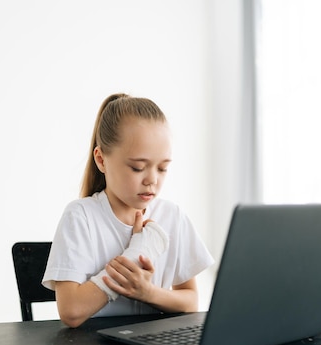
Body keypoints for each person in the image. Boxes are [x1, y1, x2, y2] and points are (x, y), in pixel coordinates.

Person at [42, 93, 214, 328]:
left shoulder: (172, 217)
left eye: (163, 168)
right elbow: (71, 311)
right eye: (137, 168)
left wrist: (147, 292)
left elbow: (191, 301)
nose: (151, 180)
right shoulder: (81, 216)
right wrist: (134, 255)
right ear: (101, 160)